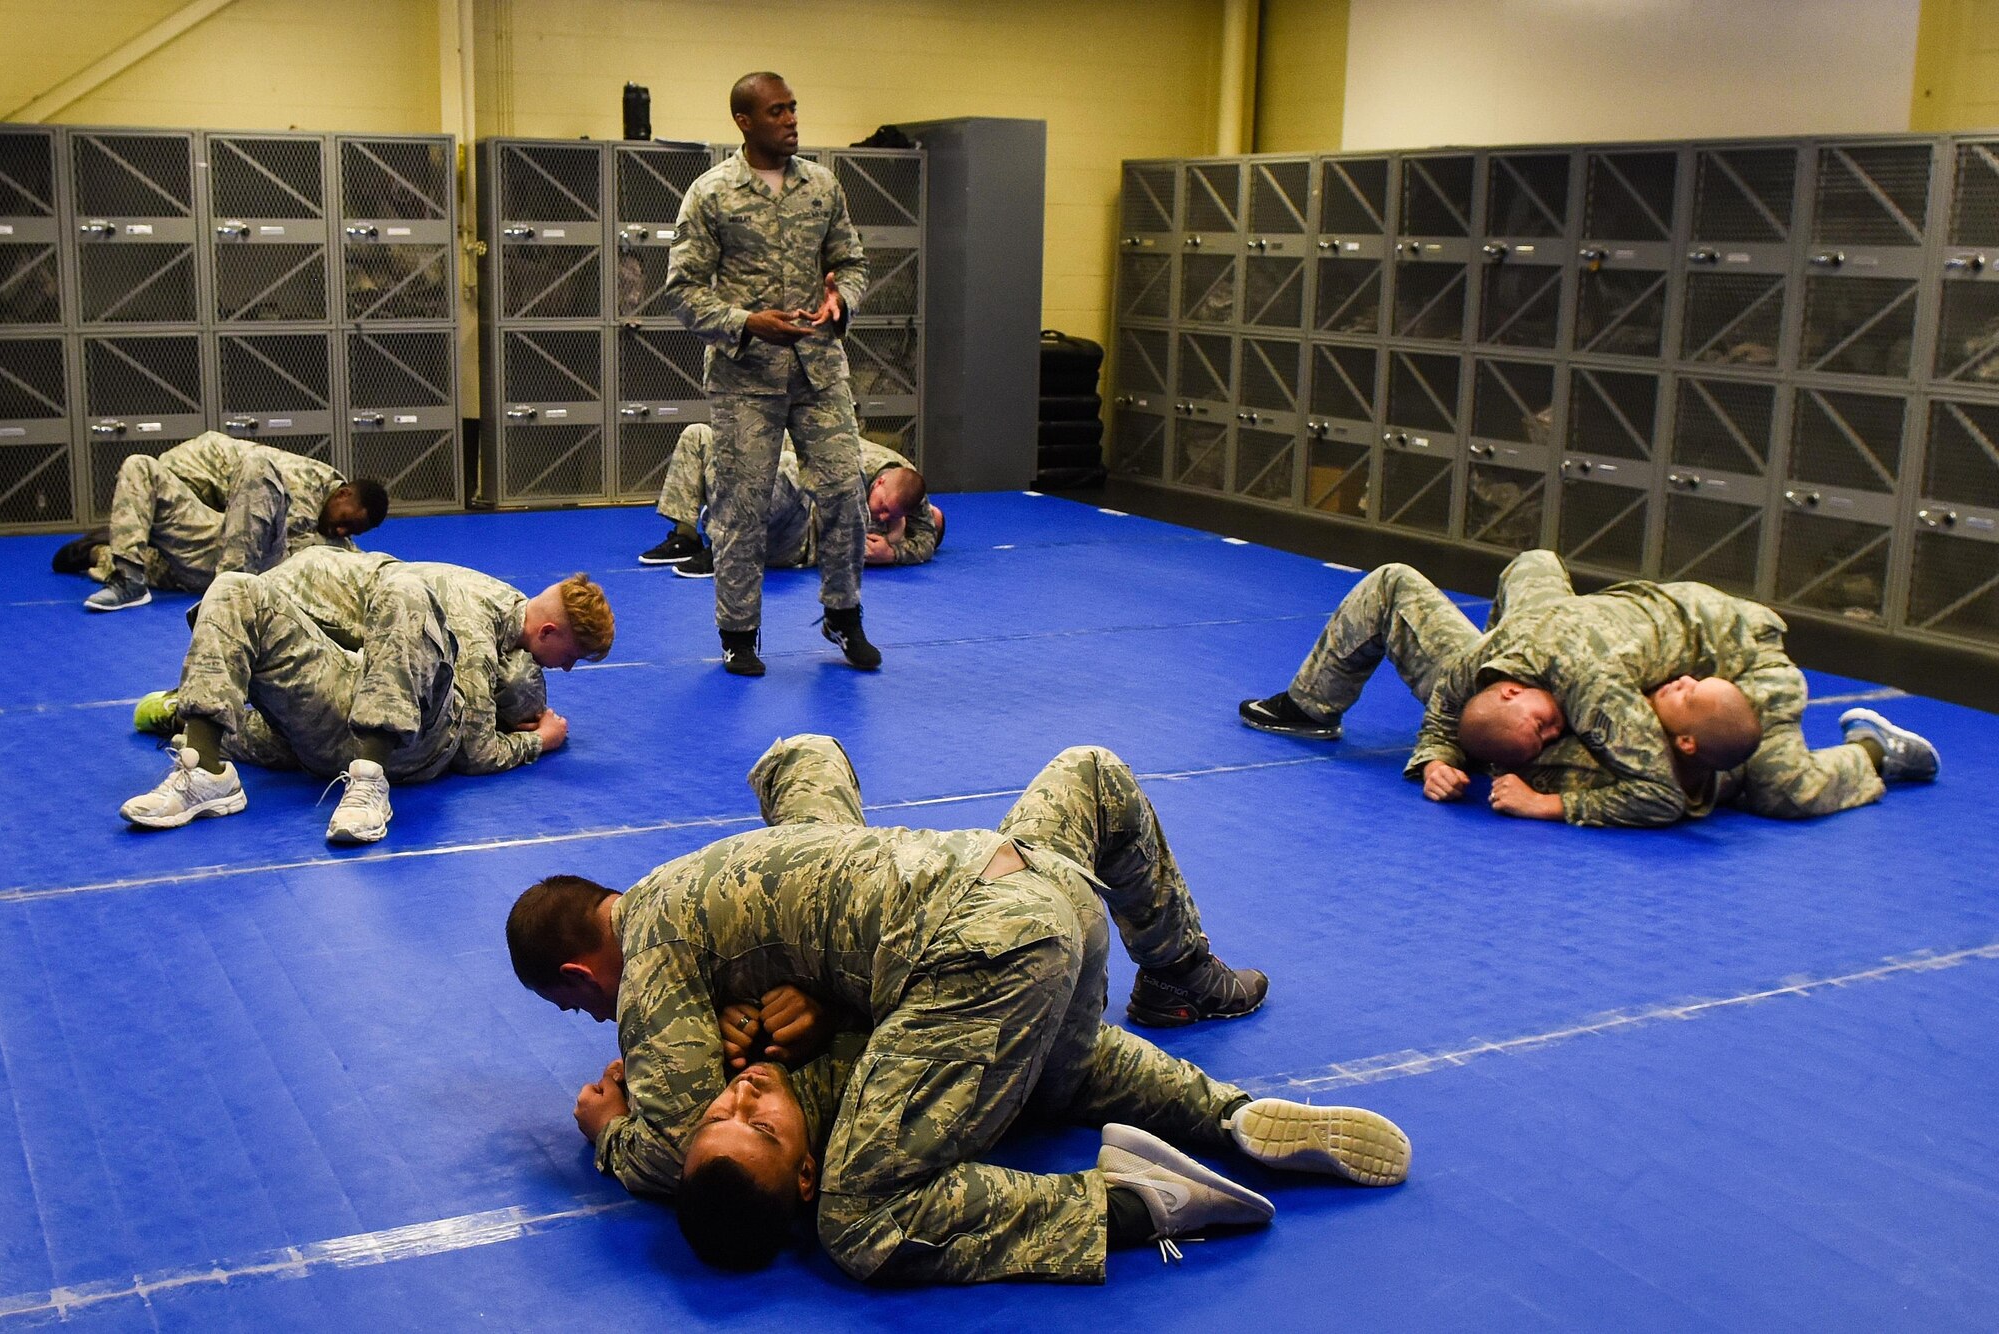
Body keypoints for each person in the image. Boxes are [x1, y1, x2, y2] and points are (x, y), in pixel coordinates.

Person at [507, 735, 1411, 1284]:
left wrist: (607, 1128)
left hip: (981, 946)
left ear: (584, 972)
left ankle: (1136, 1206)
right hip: (1035, 884)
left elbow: (673, 1151)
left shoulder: (657, 948)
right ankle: (1195, 1014)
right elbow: (813, 757)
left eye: (578, 1007)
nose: (597, 1024)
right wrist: (785, 1009)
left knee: (858, 1221)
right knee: (1088, 781)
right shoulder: (742, 877)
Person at [1238, 551, 1937, 827]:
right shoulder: (1483, 667)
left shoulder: (1594, 690)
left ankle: (1873, 752)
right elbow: (1452, 705)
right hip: (1584, 625)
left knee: (1780, 787)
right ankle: (1309, 705)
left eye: (1546, 725)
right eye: (1542, 726)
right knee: (1421, 579)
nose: (1548, 733)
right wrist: (1436, 757)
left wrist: (1552, 802)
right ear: (1505, 688)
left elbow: (1663, 792)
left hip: (1732, 649)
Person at [120, 553, 612, 843]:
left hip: (354, 715)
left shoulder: (501, 607)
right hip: (406, 744)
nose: (566, 668)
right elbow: (476, 754)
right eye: (572, 656)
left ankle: (357, 772)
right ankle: (205, 768)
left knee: (402, 599)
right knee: (233, 586)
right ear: (549, 631)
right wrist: (539, 742)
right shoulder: (472, 623)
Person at [661, 71, 875, 678]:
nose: (791, 120)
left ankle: (843, 614)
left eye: (793, 109)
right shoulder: (711, 194)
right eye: (777, 111)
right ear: (745, 121)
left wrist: (842, 302)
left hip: (819, 368)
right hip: (745, 377)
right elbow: (682, 292)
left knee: (842, 492)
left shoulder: (823, 187)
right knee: (742, 506)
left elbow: (851, 262)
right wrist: (748, 321)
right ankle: (739, 632)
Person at [53, 431, 389, 612]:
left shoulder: (338, 536)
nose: (341, 531)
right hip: (228, 542)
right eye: (345, 522)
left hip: (242, 564)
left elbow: (359, 565)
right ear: (342, 494)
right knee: (140, 464)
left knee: (167, 567)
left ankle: (100, 553)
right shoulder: (305, 481)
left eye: (352, 532)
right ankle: (129, 580)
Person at [638, 424, 944, 573]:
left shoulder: (906, 489)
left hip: (797, 532)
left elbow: (927, 539)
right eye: (884, 509)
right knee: (698, 435)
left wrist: (893, 553)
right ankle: (687, 536)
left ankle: (727, 548)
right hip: (777, 487)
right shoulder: (852, 460)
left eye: (892, 515)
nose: (884, 516)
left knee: (786, 467)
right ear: (878, 482)